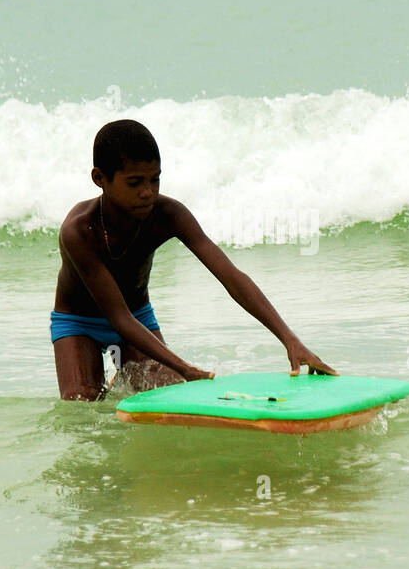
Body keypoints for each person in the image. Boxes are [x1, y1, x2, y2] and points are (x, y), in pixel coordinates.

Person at [52, 118, 336, 399]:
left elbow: (232, 277)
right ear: (99, 179)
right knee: (82, 405)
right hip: (79, 323)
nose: (148, 192)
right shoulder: (79, 231)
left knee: (170, 394)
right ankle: (120, 374)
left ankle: (125, 371)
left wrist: (290, 340)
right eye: (135, 182)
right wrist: (184, 367)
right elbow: (117, 317)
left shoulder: (167, 215)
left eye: (155, 179)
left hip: (137, 317)